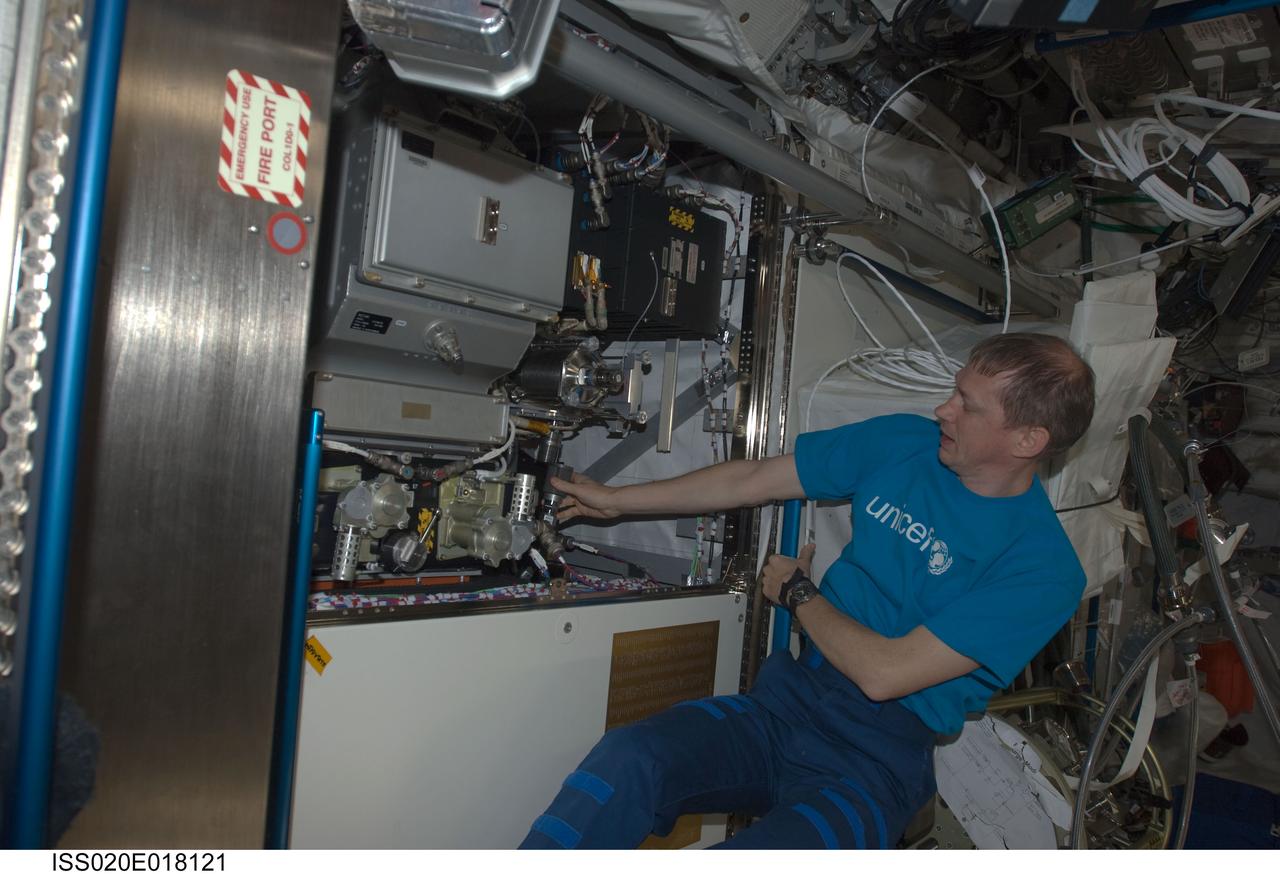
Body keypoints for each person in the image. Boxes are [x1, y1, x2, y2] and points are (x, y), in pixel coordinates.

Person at [518, 332, 1095, 850]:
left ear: (1027, 439)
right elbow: (755, 478)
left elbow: (885, 672)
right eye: (955, 391)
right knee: (627, 761)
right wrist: (617, 502)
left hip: (875, 763)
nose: (943, 409)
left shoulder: (1042, 570)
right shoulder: (904, 443)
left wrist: (797, 593)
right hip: (789, 702)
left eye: (968, 406)